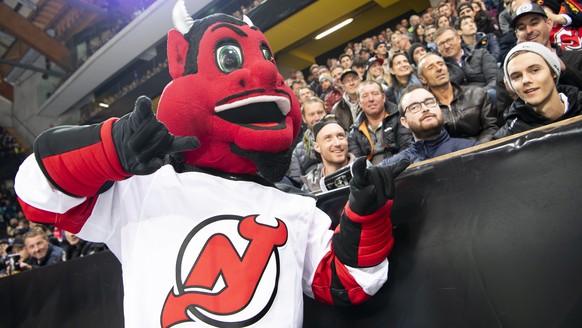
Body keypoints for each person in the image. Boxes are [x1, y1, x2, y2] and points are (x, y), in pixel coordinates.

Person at [15, 7, 408, 327]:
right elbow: (38, 193)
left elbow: (347, 282)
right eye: (229, 57)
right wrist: (110, 149)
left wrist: (365, 218)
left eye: (267, 57)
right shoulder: (142, 189)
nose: (266, 73)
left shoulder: (296, 208)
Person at [494, 42, 582, 138]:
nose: (526, 80)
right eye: (516, 76)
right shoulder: (508, 136)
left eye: (534, 70)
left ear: (553, 72)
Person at [380, 85, 477, 166]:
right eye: (414, 107)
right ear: (404, 122)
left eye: (430, 102)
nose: (425, 108)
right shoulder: (392, 165)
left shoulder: (472, 149)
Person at [417, 53, 499, 143]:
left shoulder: (477, 94)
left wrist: (477, 148)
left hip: (481, 149)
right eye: (431, 67)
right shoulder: (423, 109)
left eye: (441, 64)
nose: (439, 69)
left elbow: (491, 128)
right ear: (422, 79)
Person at [348, 81, 413, 165]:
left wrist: (383, 169)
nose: (371, 99)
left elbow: (407, 149)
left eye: (375, 94)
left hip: (400, 170)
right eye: (365, 96)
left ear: (383, 97)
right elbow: (357, 163)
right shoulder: (354, 131)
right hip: (370, 175)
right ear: (359, 103)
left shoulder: (400, 118)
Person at [435, 25, 498, 101]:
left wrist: (479, 96)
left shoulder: (481, 54)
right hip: (462, 105)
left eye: (449, 40)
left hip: (486, 96)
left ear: (459, 38)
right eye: (441, 44)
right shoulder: (441, 68)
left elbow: (494, 79)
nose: (446, 46)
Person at [300, 115, 356, 194]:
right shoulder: (310, 186)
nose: (337, 143)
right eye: (328, 138)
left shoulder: (366, 172)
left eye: (340, 136)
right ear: (317, 147)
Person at [288, 97, 326, 186]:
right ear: (304, 119)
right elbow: (297, 182)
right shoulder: (298, 151)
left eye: (320, 112)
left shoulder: (343, 137)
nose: (317, 118)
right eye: (311, 114)